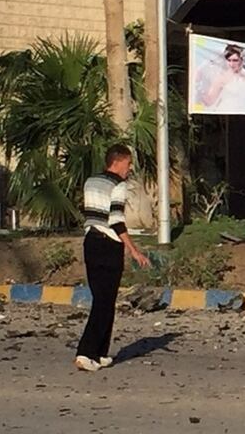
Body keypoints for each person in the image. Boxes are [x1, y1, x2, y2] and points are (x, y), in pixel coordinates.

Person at [74, 144, 151, 372]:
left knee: (102, 298)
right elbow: (116, 220)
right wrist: (134, 250)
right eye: (128, 165)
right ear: (117, 162)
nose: (129, 170)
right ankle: (86, 351)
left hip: (90, 241)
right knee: (105, 301)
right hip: (109, 245)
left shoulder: (90, 181)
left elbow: (93, 214)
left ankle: (100, 352)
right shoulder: (119, 185)